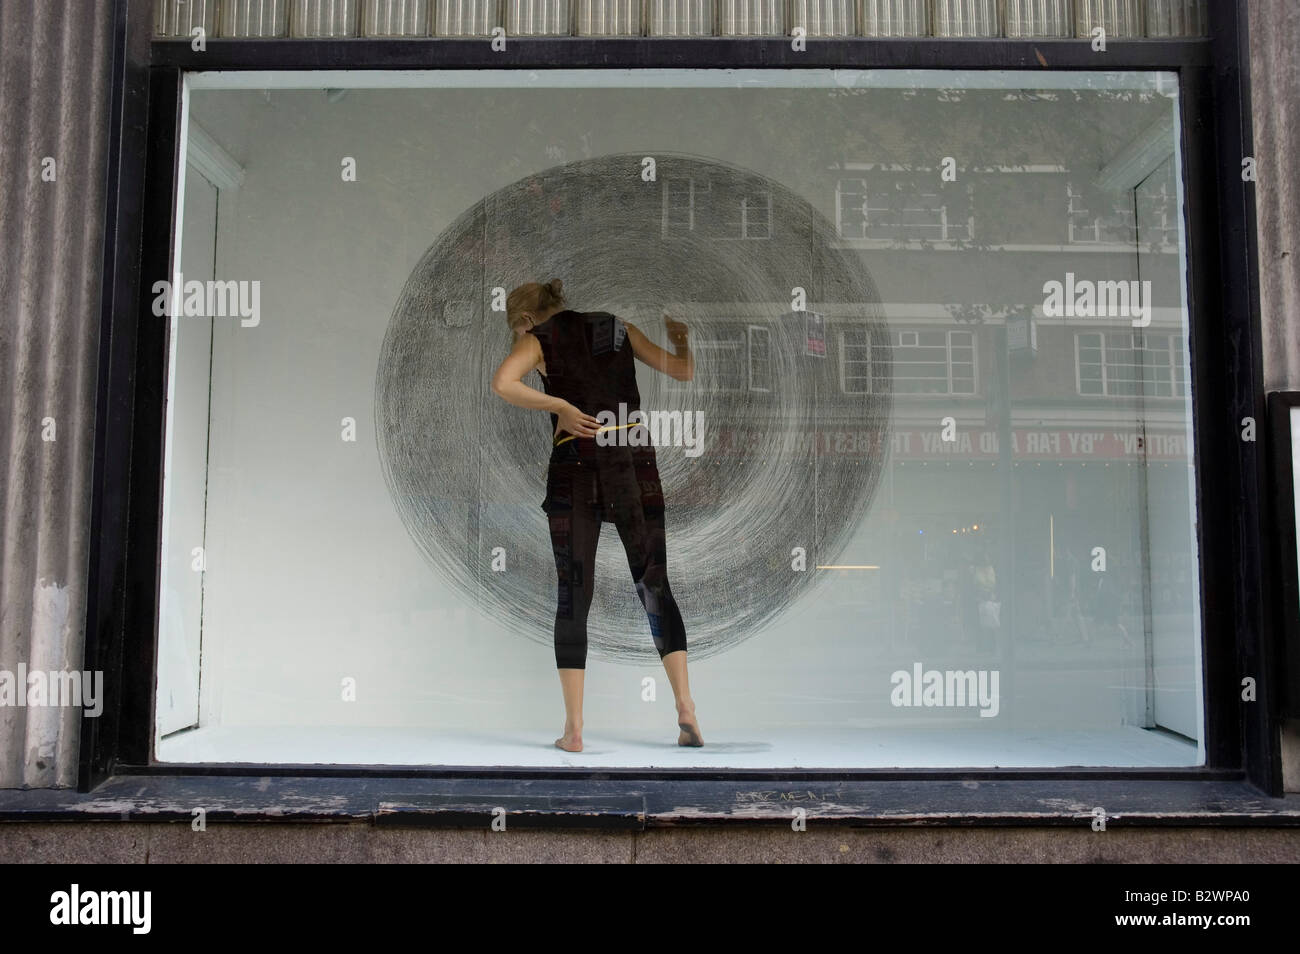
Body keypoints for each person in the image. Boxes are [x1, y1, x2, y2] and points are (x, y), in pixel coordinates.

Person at [491, 278, 702, 752]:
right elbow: (682, 372)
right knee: (654, 580)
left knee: (574, 589)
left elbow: (503, 384)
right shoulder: (618, 328)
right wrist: (681, 336)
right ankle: (686, 707)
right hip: (632, 456)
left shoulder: (537, 339)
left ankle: (574, 730)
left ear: (526, 320)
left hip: (576, 464)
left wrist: (559, 405)